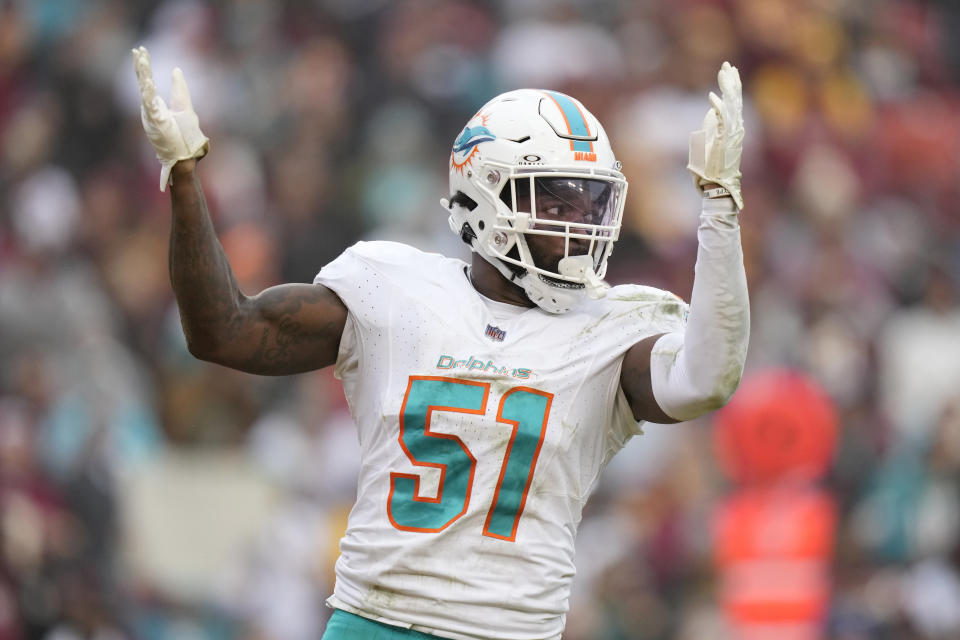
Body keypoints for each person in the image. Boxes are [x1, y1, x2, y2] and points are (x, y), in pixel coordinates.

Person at [132, 44, 749, 640]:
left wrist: (720, 212)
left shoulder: (612, 328)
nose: (579, 221)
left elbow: (707, 378)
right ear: (486, 194)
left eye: (590, 200)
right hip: (375, 625)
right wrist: (185, 178)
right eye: (555, 197)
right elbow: (223, 332)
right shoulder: (394, 289)